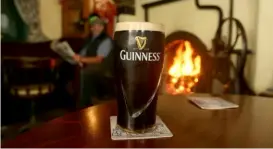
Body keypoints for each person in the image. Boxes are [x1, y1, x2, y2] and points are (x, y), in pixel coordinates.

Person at [73, 14, 114, 108]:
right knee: (67, 66)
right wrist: (77, 57)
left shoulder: (106, 40)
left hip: (103, 67)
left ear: (102, 27)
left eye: (99, 26)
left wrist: (82, 60)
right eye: (94, 26)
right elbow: (82, 53)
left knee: (85, 72)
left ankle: (83, 105)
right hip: (88, 63)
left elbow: (99, 59)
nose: (95, 28)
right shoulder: (89, 39)